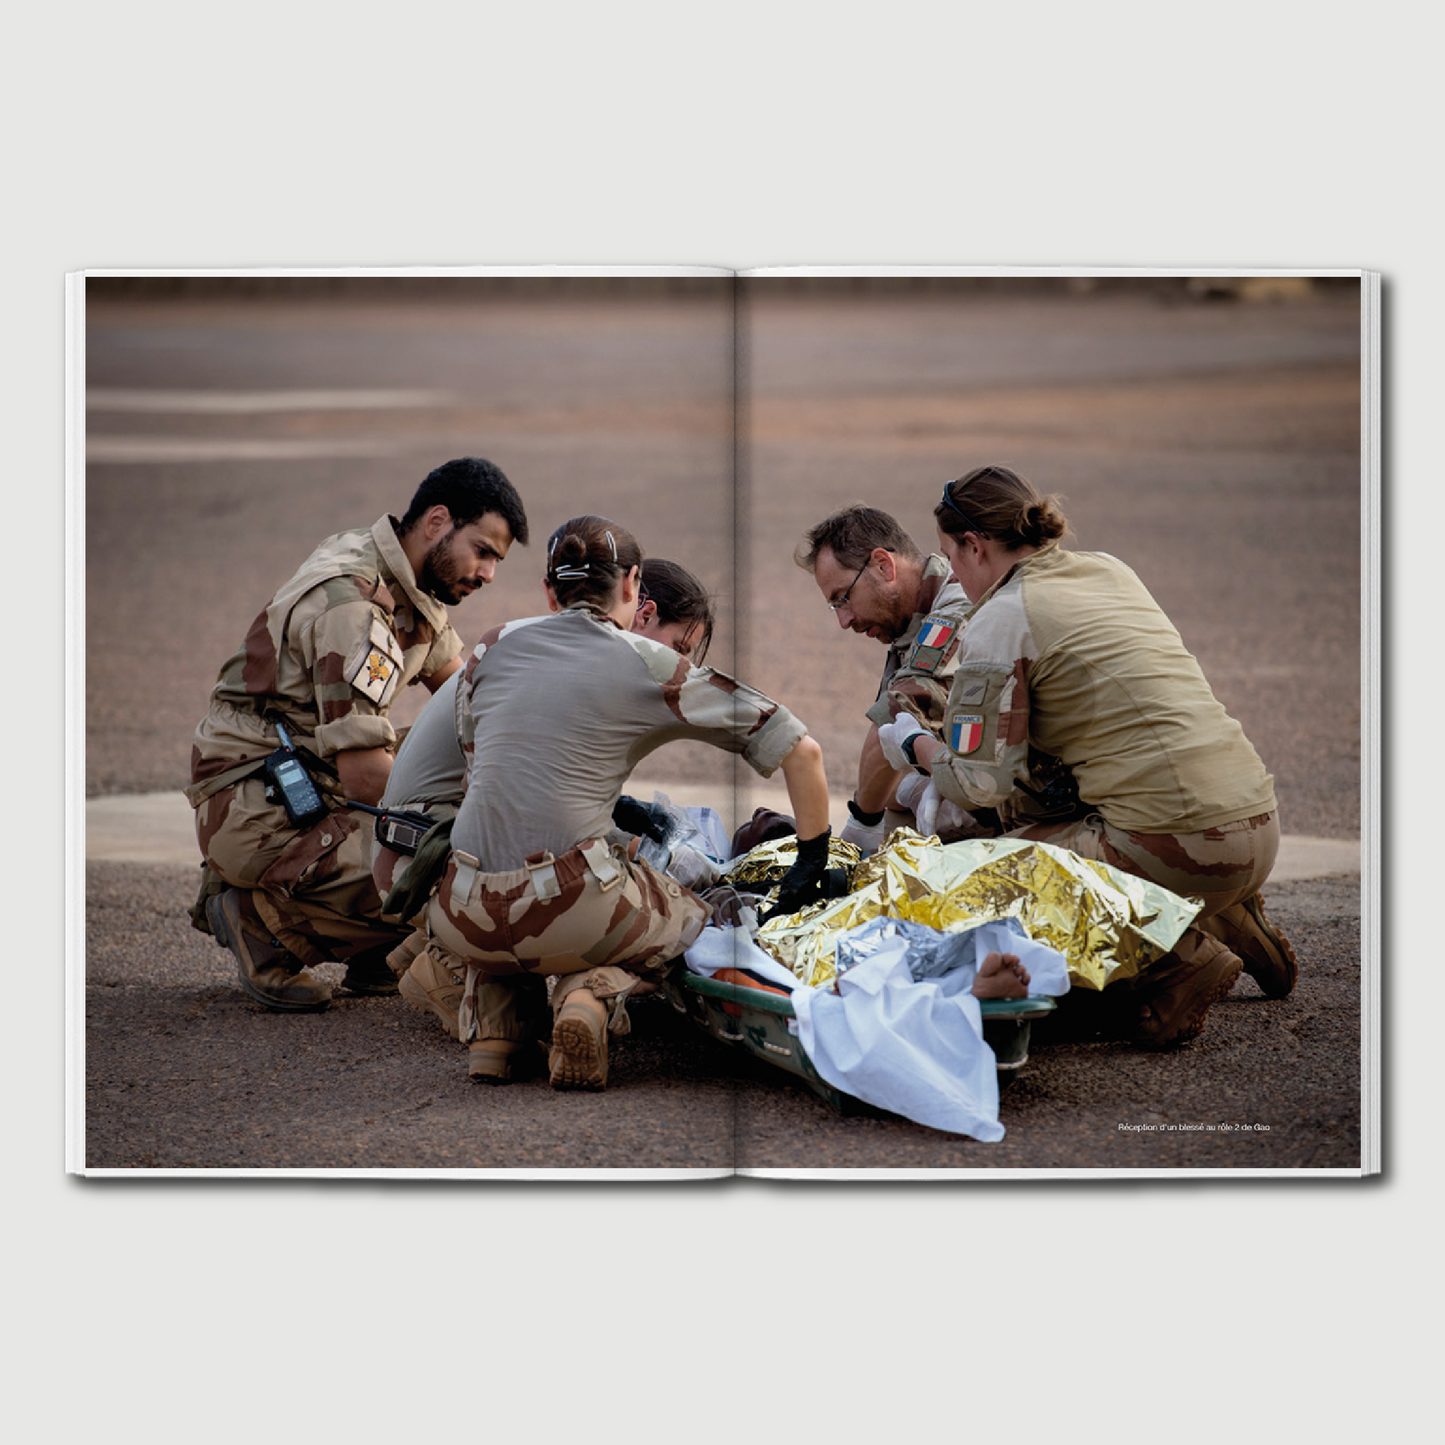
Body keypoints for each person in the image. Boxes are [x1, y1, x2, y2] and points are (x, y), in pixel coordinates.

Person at [875, 463, 1297, 1049]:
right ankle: (1227, 911)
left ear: (973, 546)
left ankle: (1179, 961)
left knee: (969, 880)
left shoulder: (999, 619)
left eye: (949, 553)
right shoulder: (1108, 569)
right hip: (1256, 822)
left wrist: (914, 744)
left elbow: (978, 785)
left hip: (1177, 845)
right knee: (1047, 806)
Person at [426, 516, 834, 1090]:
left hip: (460, 910)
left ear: (550, 590)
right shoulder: (644, 660)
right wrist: (812, 857)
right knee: (691, 917)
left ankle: (496, 1036)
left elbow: (488, 780)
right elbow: (801, 749)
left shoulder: (492, 645)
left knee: (518, 867)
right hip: (568, 909)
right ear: (632, 585)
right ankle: (587, 998)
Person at [185, 456, 529, 1013]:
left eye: (497, 560)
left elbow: (468, 697)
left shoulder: (404, 573)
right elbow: (368, 782)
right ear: (437, 522)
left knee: (470, 768)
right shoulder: (355, 607)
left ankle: (376, 947)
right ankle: (262, 922)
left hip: (305, 766)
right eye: (483, 551)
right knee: (451, 863)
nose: (488, 573)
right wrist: (488, 829)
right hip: (257, 797)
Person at [371, 558, 719, 1059]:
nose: (683, 662)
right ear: (642, 614)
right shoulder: (591, 667)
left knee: (576, 893)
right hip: (429, 864)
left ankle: (449, 962)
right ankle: (455, 972)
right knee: (614, 899)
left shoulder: (539, 646)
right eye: (680, 647)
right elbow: (543, 820)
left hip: (416, 856)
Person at [796, 505, 981, 852]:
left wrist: (861, 825)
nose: (844, 620)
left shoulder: (955, 607)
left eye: (843, 598)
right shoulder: (910, 626)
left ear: (884, 566)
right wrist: (916, 788)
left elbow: (894, 721)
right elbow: (889, 754)